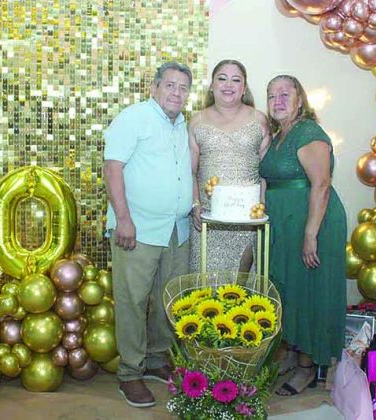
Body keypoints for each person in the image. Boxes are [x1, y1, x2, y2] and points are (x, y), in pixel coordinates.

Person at [103, 61, 193, 408]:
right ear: (154, 87)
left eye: (183, 88)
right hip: (137, 229)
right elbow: (112, 168)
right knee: (133, 302)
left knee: (167, 300)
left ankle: (157, 360)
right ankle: (130, 373)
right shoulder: (134, 118)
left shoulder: (182, 124)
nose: (176, 93)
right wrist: (123, 219)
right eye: (170, 85)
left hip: (175, 230)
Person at [259, 75, 347, 396]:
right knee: (288, 291)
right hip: (283, 224)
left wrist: (310, 234)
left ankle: (308, 368)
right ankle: (292, 354)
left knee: (308, 292)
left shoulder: (309, 132)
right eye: (272, 95)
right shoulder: (278, 135)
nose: (278, 100)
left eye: (286, 94)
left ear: (300, 100)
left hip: (313, 222)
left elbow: (321, 184)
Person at [188, 59, 271, 272]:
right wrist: (196, 205)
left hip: (248, 222)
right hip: (207, 220)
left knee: (242, 286)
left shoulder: (260, 120)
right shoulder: (196, 121)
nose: (228, 85)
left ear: (244, 88)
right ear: (212, 86)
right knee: (205, 286)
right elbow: (190, 172)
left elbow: (266, 172)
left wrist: (261, 205)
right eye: (222, 79)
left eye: (236, 80)